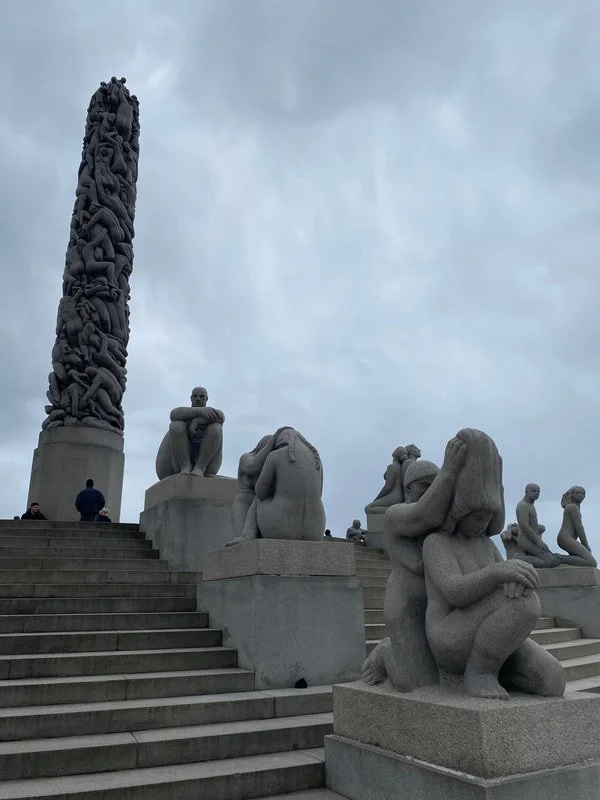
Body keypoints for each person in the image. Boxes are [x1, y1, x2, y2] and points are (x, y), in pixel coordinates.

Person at [422, 428, 565, 701]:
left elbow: (505, 580)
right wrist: (500, 572)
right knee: (525, 603)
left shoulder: (486, 545)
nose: (481, 524)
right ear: (457, 511)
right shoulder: (436, 543)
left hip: (487, 631)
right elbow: (454, 591)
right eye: (476, 516)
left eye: (487, 516)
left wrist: (516, 579)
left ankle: (493, 665)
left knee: (552, 680)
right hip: (448, 636)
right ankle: (479, 673)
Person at [155, 386, 225, 479]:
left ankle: (199, 468)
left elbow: (220, 416)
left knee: (216, 428)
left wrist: (197, 422)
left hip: (207, 465)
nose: (198, 399)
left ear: (206, 399)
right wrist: (200, 412)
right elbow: (173, 414)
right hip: (176, 464)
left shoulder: (211, 413)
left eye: (201, 396)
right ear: (191, 398)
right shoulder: (183, 414)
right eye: (195, 396)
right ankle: (185, 466)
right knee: (176, 425)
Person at [556, 486, 597, 567]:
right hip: (565, 538)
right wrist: (585, 545)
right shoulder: (572, 507)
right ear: (572, 494)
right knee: (591, 562)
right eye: (578, 493)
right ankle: (557, 558)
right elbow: (579, 528)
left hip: (567, 538)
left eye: (583, 493)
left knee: (580, 559)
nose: (580, 495)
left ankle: (560, 559)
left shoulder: (575, 507)